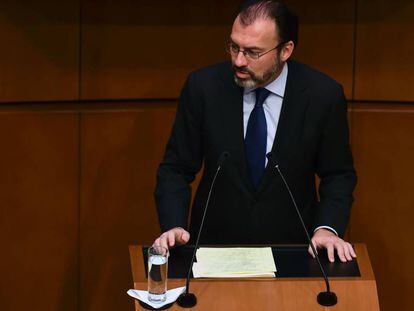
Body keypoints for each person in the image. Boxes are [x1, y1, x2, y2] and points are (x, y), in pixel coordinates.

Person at [153, 0, 357, 263]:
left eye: (252, 52)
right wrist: (174, 224)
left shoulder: (322, 95)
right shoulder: (203, 88)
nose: (238, 60)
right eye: (234, 47)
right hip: (215, 251)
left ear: (285, 50)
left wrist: (327, 229)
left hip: (293, 250)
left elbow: (338, 174)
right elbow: (176, 168)